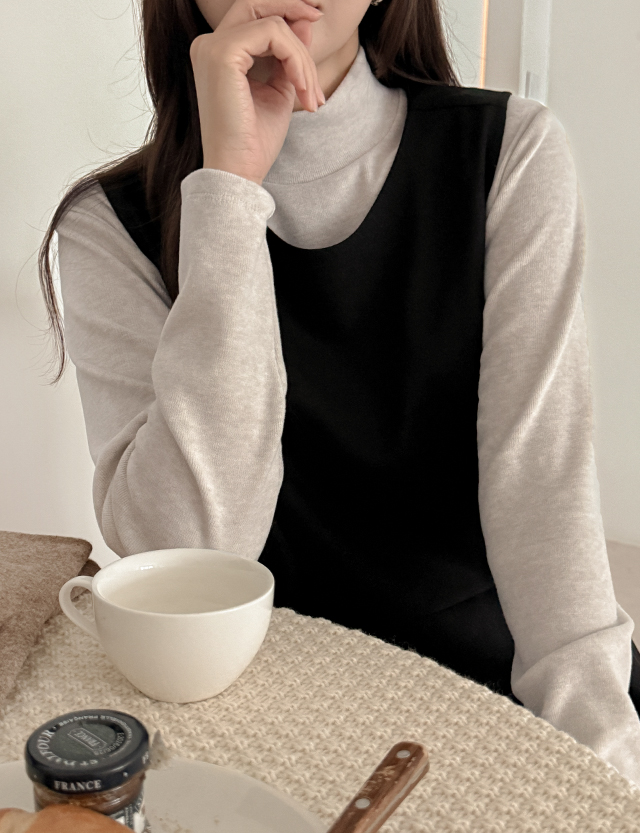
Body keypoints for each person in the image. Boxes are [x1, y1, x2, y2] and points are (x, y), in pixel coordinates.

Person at [38, 0, 640, 789]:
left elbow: (544, 493)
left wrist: (603, 775)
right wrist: (228, 192)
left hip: (493, 681)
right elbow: (188, 558)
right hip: (262, 711)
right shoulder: (110, 225)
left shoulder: (508, 151)